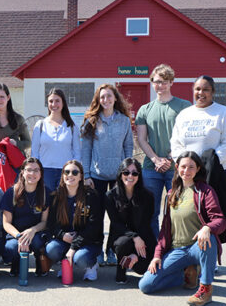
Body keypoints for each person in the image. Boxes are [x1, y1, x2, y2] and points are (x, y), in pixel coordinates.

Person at [139, 151, 226, 306]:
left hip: (197, 247)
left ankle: (205, 289)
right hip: (177, 250)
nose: (187, 171)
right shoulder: (172, 194)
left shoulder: (205, 191)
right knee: (146, 285)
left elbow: (220, 220)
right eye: (183, 166)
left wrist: (207, 227)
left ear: (198, 169)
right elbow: (165, 230)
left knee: (209, 238)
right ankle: (185, 273)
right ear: (177, 167)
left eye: (191, 167)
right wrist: (157, 255)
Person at [81, 83, 133, 266]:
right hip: (96, 176)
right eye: (102, 97)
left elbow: (128, 148)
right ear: (98, 100)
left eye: (109, 96)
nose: (106, 100)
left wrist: (129, 174)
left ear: (115, 98)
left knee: (117, 216)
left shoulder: (124, 121)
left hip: (118, 177)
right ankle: (96, 251)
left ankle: (111, 250)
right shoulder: (92, 121)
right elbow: (85, 150)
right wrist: (86, 175)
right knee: (97, 216)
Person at [136, 64, 191, 237]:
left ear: (171, 82)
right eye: (157, 82)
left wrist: (169, 159)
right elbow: (142, 139)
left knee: (176, 211)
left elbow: (187, 136)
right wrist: (156, 160)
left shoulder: (184, 106)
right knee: (150, 212)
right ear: (152, 82)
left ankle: (174, 248)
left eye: (164, 82)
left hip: (177, 168)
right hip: (151, 168)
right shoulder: (145, 110)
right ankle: (154, 249)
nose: (160, 86)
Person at [170, 75, 226, 192]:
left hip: (220, 172)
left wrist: (206, 165)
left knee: (216, 209)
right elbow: (175, 143)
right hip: (190, 174)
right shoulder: (184, 114)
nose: (201, 92)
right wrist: (187, 165)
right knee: (191, 209)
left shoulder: (224, 113)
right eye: (197, 89)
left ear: (213, 92)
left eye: (206, 89)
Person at [46, 160, 102, 281]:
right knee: (52, 249)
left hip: (88, 241)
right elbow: (51, 223)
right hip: (66, 239)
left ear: (81, 176)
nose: (70, 175)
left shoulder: (91, 196)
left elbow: (94, 228)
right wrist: (62, 235)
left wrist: (73, 247)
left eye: (75, 172)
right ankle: (66, 262)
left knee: (81, 258)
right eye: (67, 172)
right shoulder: (56, 196)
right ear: (62, 175)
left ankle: (91, 264)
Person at [105, 158, 156, 284]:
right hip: (121, 237)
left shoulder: (148, 196)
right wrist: (135, 237)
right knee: (123, 244)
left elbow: (146, 223)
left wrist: (140, 243)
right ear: (120, 174)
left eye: (134, 173)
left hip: (143, 235)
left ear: (139, 176)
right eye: (126, 172)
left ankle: (132, 258)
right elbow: (116, 223)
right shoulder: (110, 196)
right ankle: (121, 271)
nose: (130, 176)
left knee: (143, 268)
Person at [0, 157, 51, 277]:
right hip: (16, 234)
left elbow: (44, 222)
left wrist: (32, 230)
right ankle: (16, 262)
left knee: (38, 242)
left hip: (37, 232)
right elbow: (6, 223)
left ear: (41, 173)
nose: (32, 173)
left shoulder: (46, 193)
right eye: (29, 170)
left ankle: (40, 262)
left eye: (36, 170)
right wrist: (19, 237)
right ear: (22, 172)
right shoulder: (11, 193)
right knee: (10, 248)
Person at [31, 88, 81, 192]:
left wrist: (75, 172)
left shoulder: (72, 126)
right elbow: (34, 152)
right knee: (46, 204)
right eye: (51, 101)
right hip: (45, 171)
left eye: (57, 101)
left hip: (66, 172)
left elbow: (77, 152)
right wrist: (36, 171)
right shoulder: (40, 125)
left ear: (63, 103)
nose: (54, 104)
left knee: (63, 205)